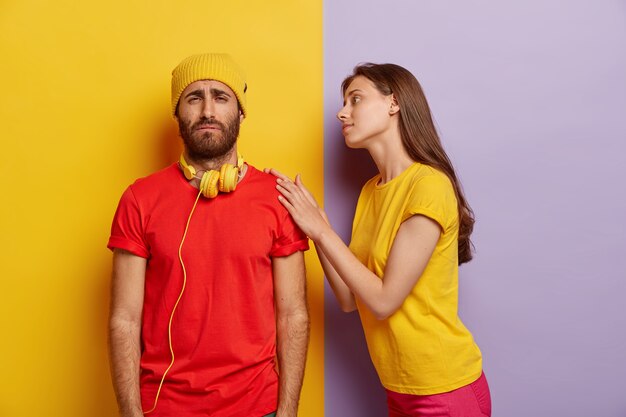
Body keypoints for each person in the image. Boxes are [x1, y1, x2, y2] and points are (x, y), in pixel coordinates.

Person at [268, 63, 491, 417]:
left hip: (445, 389)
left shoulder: (428, 186)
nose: (343, 112)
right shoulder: (371, 192)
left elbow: (385, 300)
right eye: (345, 103)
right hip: (398, 389)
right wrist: (318, 228)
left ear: (394, 103)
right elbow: (348, 299)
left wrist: (323, 232)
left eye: (355, 100)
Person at [107, 53, 310, 417]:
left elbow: (293, 314)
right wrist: (130, 413)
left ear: (240, 111)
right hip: (164, 407)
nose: (207, 111)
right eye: (193, 97)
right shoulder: (139, 199)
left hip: (257, 406)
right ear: (177, 113)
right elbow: (125, 318)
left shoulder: (277, 199)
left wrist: (288, 411)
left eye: (220, 96)